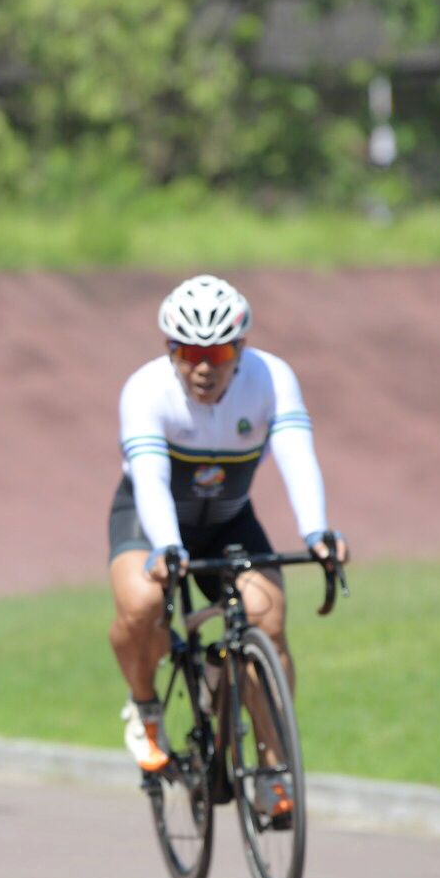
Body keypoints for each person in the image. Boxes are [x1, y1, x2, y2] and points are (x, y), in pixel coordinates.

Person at [108, 275, 348, 816]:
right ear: (170, 349)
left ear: (239, 349)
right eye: (189, 352)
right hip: (150, 520)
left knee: (268, 617)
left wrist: (317, 532)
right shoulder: (145, 390)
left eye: (216, 353)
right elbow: (150, 478)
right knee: (142, 605)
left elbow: (296, 454)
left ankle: (271, 763)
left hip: (228, 520)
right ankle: (145, 706)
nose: (203, 367)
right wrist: (167, 546)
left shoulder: (271, 378)